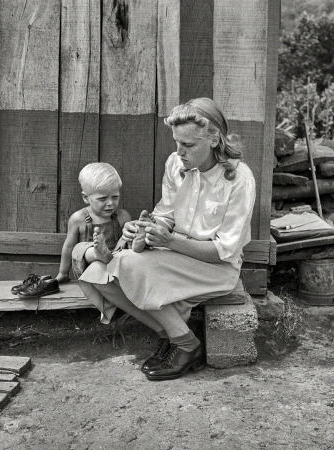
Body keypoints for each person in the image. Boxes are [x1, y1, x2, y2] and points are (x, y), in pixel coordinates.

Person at [78, 98, 256, 381]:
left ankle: (188, 347)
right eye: (176, 143)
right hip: (172, 254)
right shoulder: (176, 164)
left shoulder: (239, 179)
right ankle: (174, 335)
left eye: (188, 145)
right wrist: (145, 228)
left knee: (126, 266)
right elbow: (165, 215)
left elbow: (224, 251)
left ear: (213, 139)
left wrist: (169, 240)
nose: (179, 152)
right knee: (98, 274)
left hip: (216, 268)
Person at [55, 162, 132, 284]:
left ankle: (139, 237)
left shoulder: (122, 217)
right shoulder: (78, 219)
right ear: (86, 198)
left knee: (128, 237)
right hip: (90, 271)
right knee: (78, 249)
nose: (110, 203)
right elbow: (69, 247)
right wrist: (63, 273)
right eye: (102, 199)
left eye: (115, 197)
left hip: (117, 267)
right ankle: (97, 253)